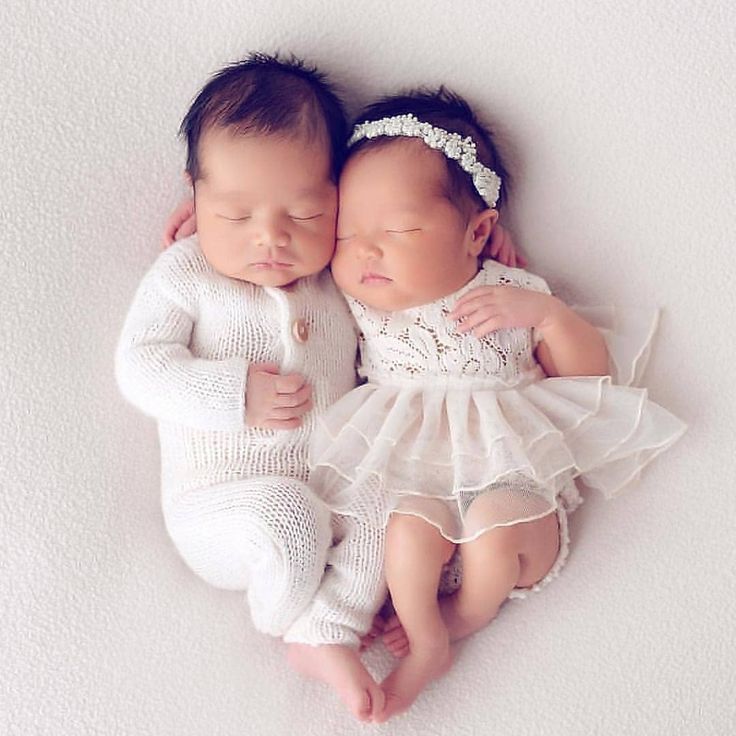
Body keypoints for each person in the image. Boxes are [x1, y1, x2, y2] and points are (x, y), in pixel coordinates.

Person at [304, 88, 687, 722]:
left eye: (397, 230)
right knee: (405, 527)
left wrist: (548, 315)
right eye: (347, 233)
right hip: (419, 490)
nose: (365, 250)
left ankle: (463, 618)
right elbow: (279, 255)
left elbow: (591, 378)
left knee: (492, 523)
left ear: (477, 231)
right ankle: (425, 635)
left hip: (515, 503)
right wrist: (213, 224)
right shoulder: (359, 304)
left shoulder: (510, 290)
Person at [114, 53, 391, 719]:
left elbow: (410, 311)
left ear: (338, 197)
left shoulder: (341, 277)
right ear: (196, 196)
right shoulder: (186, 273)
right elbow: (139, 366)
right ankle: (291, 624)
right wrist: (232, 394)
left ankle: (331, 622)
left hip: (332, 483)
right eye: (237, 214)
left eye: (301, 212)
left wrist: (481, 257)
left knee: (389, 495)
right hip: (223, 512)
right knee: (287, 515)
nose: (270, 237)